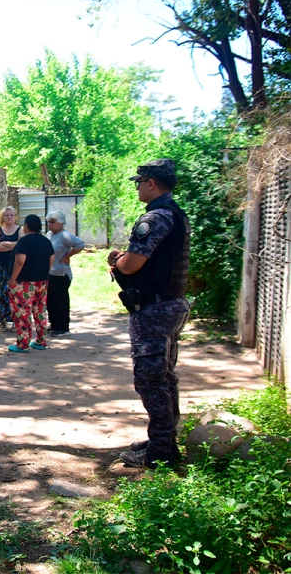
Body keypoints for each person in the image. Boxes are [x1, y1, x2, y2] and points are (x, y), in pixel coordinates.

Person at [108, 159, 190, 469]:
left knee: (151, 381)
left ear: (151, 183)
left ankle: (160, 453)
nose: (138, 188)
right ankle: (162, 441)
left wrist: (117, 261)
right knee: (165, 378)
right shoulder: (176, 214)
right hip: (170, 305)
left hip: (155, 310)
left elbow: (131, 265)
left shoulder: (156, 217)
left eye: (139, 182)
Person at [7, 214, 54, 353]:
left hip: (24, 282)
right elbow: (52, 258)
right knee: (40, 310)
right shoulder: (46, 241)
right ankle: (41, 340)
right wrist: (44, 272)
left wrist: (13, 279)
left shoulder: (24, 241)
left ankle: (23, 344)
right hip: (42, 281)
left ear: (26, 225)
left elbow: (20, 261)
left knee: (22, 312)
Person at [45, 211, 85, 337]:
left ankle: (63, 327)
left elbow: (80, 244)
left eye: (53, 222)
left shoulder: (64, 236)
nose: (50, 224)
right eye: (48, 222)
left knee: (60, 301)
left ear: (61, 223)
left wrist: (68, 256)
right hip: (50, 272)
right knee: (51, 301)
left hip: (62, 273)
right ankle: (54, 325)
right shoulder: (49, 234)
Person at [0, 206, 22, 332]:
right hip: (1, 266)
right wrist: (12, 246)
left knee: (15, 293)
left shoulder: (20, 230)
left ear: (15, 216)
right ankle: (2, 321)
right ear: (2, 217)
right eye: (6, 215)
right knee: (1, 292)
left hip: (15, 266)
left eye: (11, 215)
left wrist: (4, 243)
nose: (9, 217)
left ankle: (15, 321)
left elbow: (21, 245)